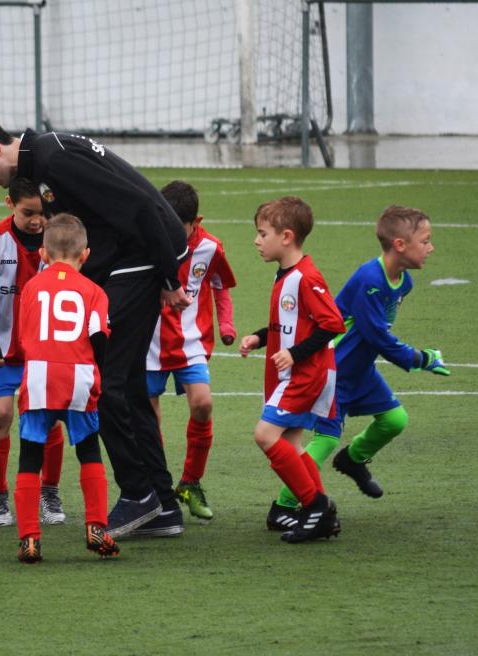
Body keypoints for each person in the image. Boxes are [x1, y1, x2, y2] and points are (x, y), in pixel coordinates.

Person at [0, 115, 192, 539]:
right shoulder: (43, 158)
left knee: (105, 380)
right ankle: (162, 504)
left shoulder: (53, 160)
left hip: (145, 258)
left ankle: (138, 494)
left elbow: (139, 205)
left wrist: (170, 277)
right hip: (135, 258)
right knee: (130, 384)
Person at [267, 205, 449, 529]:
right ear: (400, 245)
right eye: (426, 240)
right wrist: (420, 358)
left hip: (361, 372)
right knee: (322, 442)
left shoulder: (403, 283)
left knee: (395, 419)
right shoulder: (370, 280)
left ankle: (352, 460)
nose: (431, 247)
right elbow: (377, 336)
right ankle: (284, 504)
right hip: (333, 373)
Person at [237, 196, 346, 543]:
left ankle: (314, 506)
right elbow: (289, 322)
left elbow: (332, 323)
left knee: (265, 435)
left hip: (305, 374)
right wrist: (259, 337)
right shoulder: (287, 274)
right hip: (296, 371)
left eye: (262, 233)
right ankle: (320, 514)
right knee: (293, 445)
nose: (256, 240)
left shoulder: (305, 277)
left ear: (286, 237)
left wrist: (295, 354)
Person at [13, 213, 119, 562]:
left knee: (30, 456)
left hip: (40, 376)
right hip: (78, 377)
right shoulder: (94, 291)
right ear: (85, 255)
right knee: (89, 450)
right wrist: (96, 373)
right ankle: (96, 527)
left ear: (42, 255)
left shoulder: (31, 287)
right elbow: (98, 337)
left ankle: (29, 538)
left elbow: (25, 337)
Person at [0, 176, 67, 527]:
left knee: (49, 417)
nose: (38, 221)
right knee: (0, 415)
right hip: (3, 349)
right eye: (29, 213)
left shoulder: (56, 242)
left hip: (45, 348)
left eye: (42, 213)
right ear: (10, 205)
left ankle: (50, 493)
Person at [146, 180, 236, 524]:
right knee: (148, 421)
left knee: (203, 404)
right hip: (149, 344)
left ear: (195, 221)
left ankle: (191, 482)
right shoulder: (147, 241)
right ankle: (157, 488)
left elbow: (220, 286)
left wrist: (226, 324)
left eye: (177, 226)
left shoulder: (211, 248)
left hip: (191, 342)